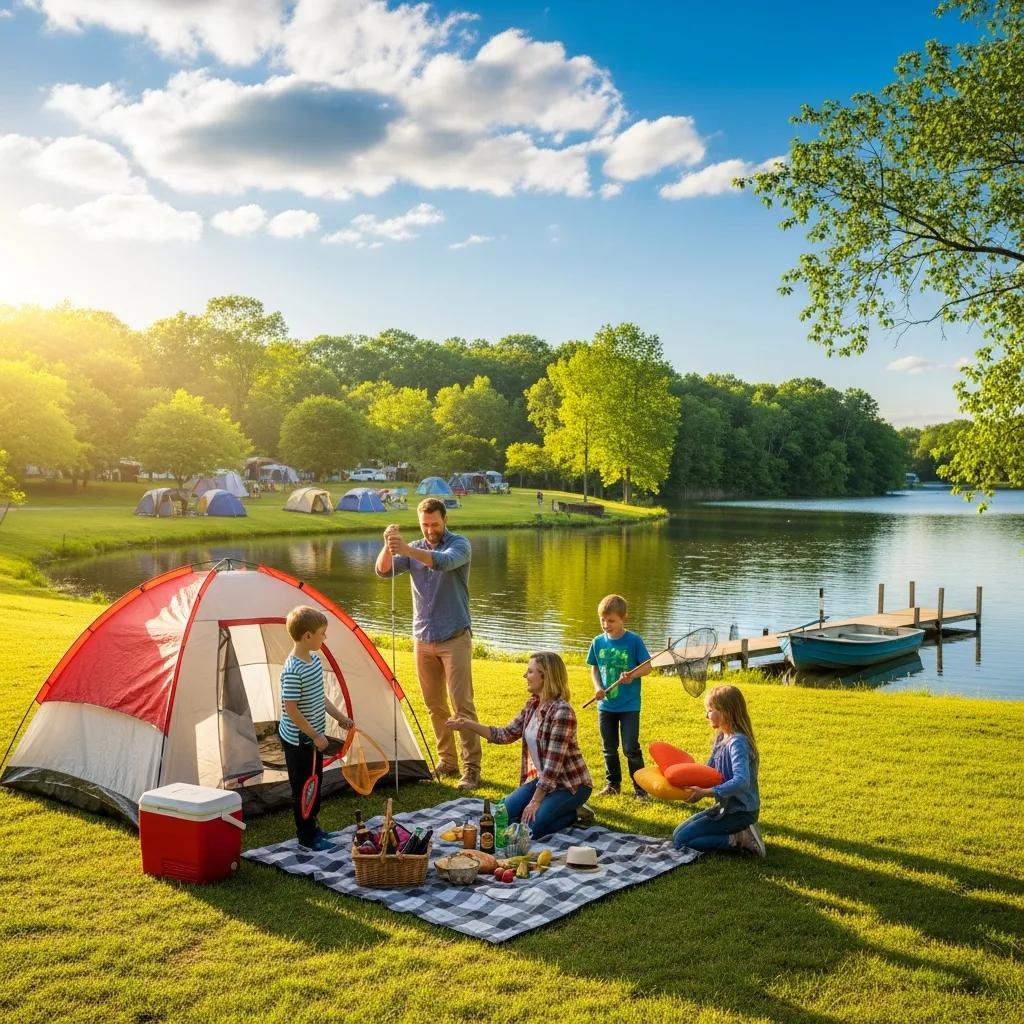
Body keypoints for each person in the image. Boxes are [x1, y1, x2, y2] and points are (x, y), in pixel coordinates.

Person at [375, 497, 480, 791]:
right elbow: (382, 571)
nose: (430, 529)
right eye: (425, 525)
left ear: (445, 520)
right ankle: (448, 762)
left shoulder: (460, 545)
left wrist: (407, 549)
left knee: (462, 707)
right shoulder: (413, 548)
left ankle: (471, 769)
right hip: (423, 638)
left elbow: (444, 563)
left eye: (434, 524)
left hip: (455, 636)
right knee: (435, 707)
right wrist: (388, 544)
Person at [447, 651, 592, 837]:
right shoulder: (532, 705)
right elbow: (504, 734)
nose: (525, 676)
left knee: (532, 827)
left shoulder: (562, 713)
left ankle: (573, 813)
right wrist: (467, 724)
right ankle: (552, 808)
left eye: (530, 672)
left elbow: (552, 768)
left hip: (571, 785)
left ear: (545, 676)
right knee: (500, 817)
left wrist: (535, 802)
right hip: (544, 781)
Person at [278, 605, 354, 851]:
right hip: (300, 740)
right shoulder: (292, 670)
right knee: (304, 787)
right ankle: (306, 836)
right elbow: (291, 710)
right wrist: (315, 736)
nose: (325, 638)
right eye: (323, 633)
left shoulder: (314, 660)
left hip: (314, 739)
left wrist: (340, 716)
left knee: (315, 781)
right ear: (307, 635)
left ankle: (313, 826)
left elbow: (320, 697)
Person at [672, 683, 765, 857]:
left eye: (710, 710)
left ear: (725, 712)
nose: (706, 715)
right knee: (678, 834)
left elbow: (742, 782)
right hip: (726, 808)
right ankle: (737, 834)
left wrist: (706, 792)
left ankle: (738, 840)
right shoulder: (722, 736)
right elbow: (708, 771)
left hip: (741, 812)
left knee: (681, 842)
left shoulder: (737, 743)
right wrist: (684, 784)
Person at [587, 594, 653, 799]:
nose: (606, 625)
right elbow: (595, 668)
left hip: (629, 705)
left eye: (611, 621)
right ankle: (613, 784)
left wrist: (632, 674)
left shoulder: (634, 641)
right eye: (603, 620)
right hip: (606, 706)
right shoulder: (598, 642)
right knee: (609, 748)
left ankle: (641, 789)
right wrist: (598, 687)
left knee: (631, 748)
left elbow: (648, 667)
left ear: (623, 618)